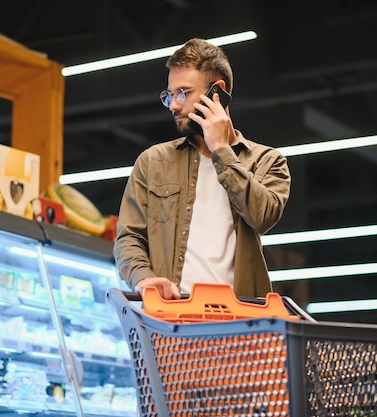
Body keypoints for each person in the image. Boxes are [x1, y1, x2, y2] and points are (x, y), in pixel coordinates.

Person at [113, 38, 291, 300]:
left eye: (183, 93)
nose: (174, 104)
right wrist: (144, 279)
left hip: (241, 323)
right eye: (170, 95)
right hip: (171, 317)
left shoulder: (268, 160)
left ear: (216, 92)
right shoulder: (153, 162)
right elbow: (128, 239)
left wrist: (221, 149)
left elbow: (262, 216)